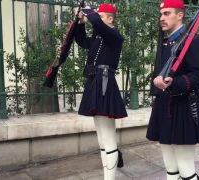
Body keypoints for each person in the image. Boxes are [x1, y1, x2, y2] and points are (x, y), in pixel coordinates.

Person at [146, 0, 199, 179]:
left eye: (167, 14)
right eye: (161, 14)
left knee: (186, 170)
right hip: (164, 106)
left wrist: (173, 83)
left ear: (180, 15)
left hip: (184, 107)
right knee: (170, 167)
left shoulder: (195, 42)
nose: (162, 18)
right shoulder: (167, 43)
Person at [74, 3, 127, 180]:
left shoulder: (114, 36)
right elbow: (82, 41)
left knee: (108, 136)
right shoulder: (99, 36)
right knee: (101, 137)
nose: (97, 19)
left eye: (101, 16)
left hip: (105, 83)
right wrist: (80, 22)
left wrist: (88, 11)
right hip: (95, 82)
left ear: (110, 19)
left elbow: (96, 22)